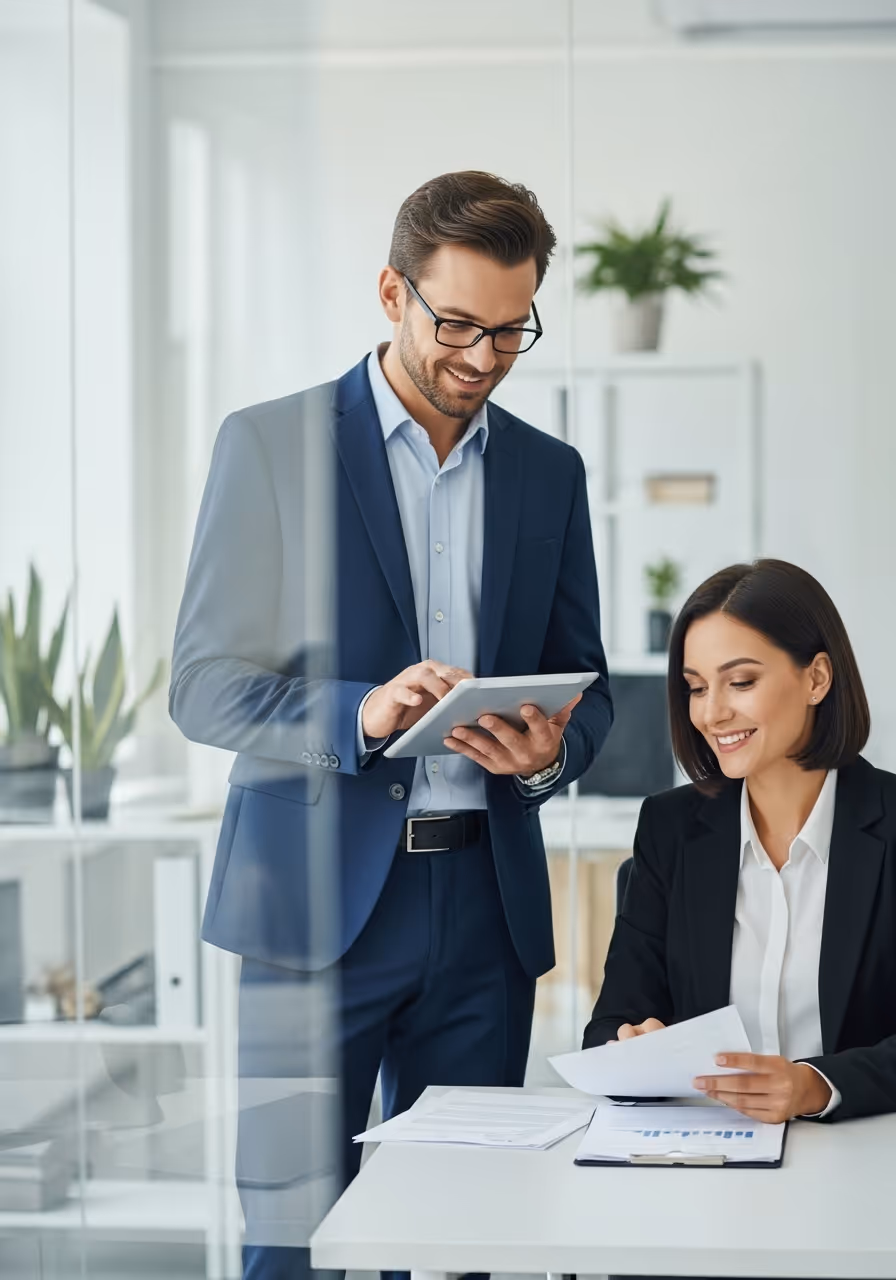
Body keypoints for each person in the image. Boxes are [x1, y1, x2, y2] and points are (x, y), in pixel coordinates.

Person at [171, 170, 613, 1280]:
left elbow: (594, 688)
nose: (479, 357)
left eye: (509, 332)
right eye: (454, 324)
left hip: (481, 916)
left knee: (462, 1239)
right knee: (292, 1241)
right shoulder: (268, 446)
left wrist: (549, 751)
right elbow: (201, 685)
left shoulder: (547, 475)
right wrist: (355, 713)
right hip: (308, 916)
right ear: (390, 293)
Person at [584, 558, 896, 1125]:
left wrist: (817, 1085)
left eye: (742, 681)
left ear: (817, 678)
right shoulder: (670, 828)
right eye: (696, 687)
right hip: (707, 1159)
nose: (711, 712)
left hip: (869, 1158)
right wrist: (631, 1044)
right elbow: (611, 1022)